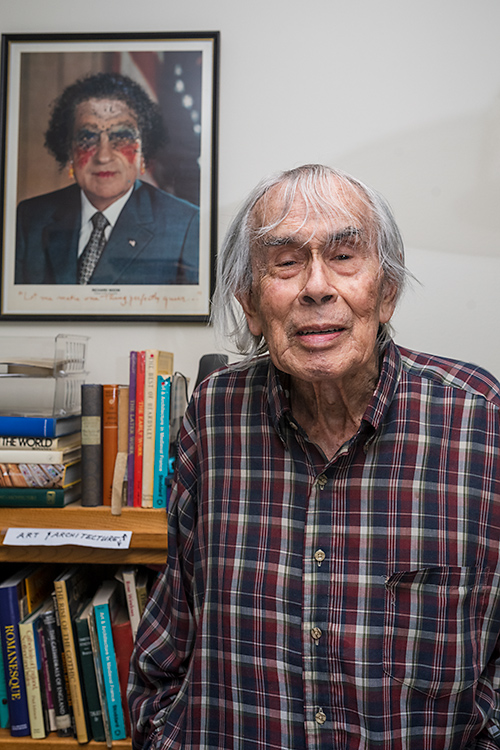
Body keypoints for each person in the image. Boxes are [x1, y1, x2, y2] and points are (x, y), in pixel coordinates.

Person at [127, 164, 500, 749]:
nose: (317, 287)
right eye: (285, 262)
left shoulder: (481, 420)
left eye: (345, 256)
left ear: (387, 292)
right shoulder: (213, 414)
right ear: (250, 304)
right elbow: (171, 635)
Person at [15, 72, 199, 285]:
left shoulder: (186, 225)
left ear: (143, 151)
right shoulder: (31, 218)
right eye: (87, 138)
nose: (103, 156)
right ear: (69, 151)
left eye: (121, 137)